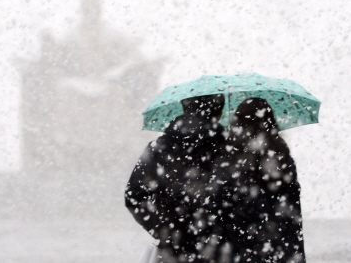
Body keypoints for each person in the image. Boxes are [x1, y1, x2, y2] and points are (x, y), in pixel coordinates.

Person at [125, 94, 227, 262]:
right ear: (219, 114)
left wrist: (165, 230)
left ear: (184, 109)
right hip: (218, 251)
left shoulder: (157, 149)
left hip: (172, 250)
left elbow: (134, 196)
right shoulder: (230, 152)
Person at [208, 98, 306, 262]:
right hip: (279, 249)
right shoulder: (282, 158)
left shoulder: (229, 160)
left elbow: (219, 209)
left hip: (239, 250)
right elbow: (293, 214)